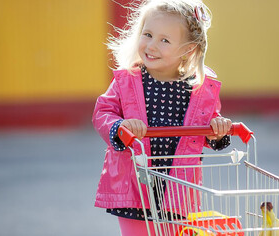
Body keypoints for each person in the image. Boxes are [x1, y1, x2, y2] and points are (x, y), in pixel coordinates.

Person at [92, 0, 232, 235]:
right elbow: (103, 113)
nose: (152, 45)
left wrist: (217, 129)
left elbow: (206, 125)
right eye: (147, 34)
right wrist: (120, 127)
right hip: (135, 182)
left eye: (164, 40)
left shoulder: (199, 88)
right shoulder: (127, 80)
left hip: (178, 186)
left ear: (188, 49)